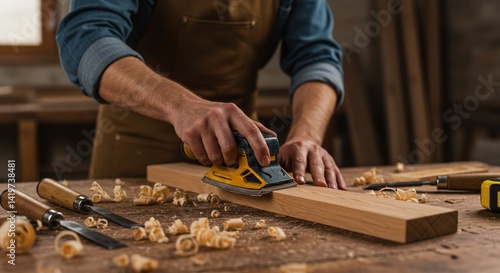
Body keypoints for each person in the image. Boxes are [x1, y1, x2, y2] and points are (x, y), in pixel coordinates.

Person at [57, 0, 346, 190]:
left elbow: (316, 57)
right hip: (135, 169)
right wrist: (180, 105)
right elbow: (86, 38)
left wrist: (306, 134)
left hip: (243, 167)